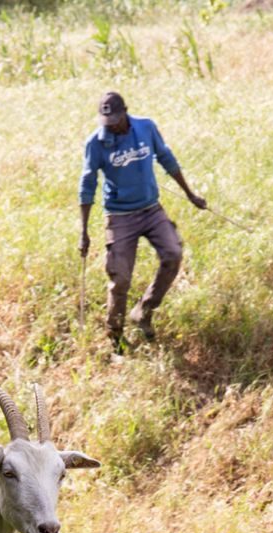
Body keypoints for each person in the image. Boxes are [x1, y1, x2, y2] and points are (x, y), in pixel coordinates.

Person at [78, 91, 206, 347]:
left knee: (173, 254)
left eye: (116, 119)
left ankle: (144, 311)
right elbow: (87, 183)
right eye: (107, 121)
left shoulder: (145, 127)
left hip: (150, 210)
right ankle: (115, 337)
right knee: (120, 278)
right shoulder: (96, 143)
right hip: (119, 216)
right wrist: (84, 230)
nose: (112, 125)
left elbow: (166, 158)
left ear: (125, 111)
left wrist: (190, 194)